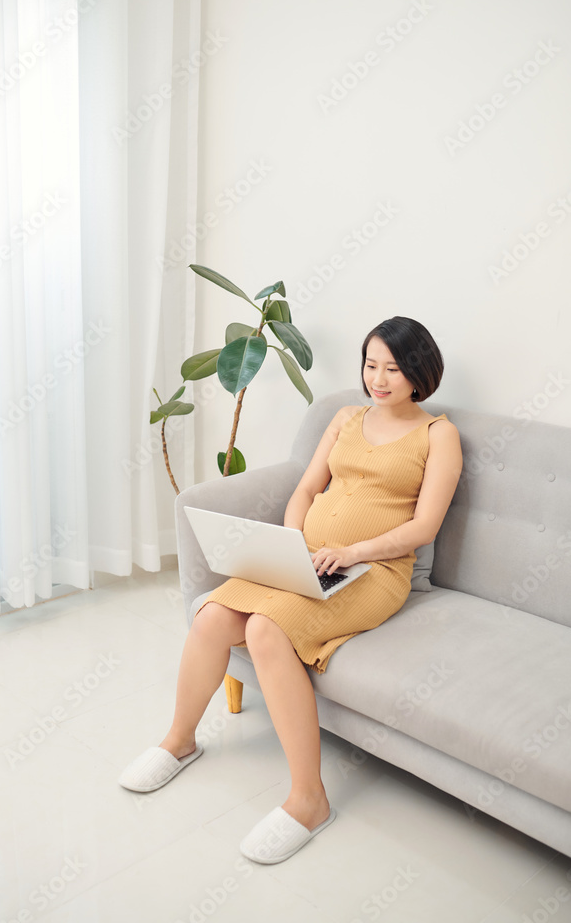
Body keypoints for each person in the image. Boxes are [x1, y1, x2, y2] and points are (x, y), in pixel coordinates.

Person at [119, 316, 463, 864]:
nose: (379, 378)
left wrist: (350, 553)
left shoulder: (437, 435)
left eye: (393, 369)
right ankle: (179, 741)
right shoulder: (346, 418)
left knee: (264, 627)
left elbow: (423, 528)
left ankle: (309, 799)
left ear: (421, 371)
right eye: (371, 365)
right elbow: (305, 489)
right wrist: (293, 545)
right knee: (212, 616)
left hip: (374, 572)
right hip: (306, 559)